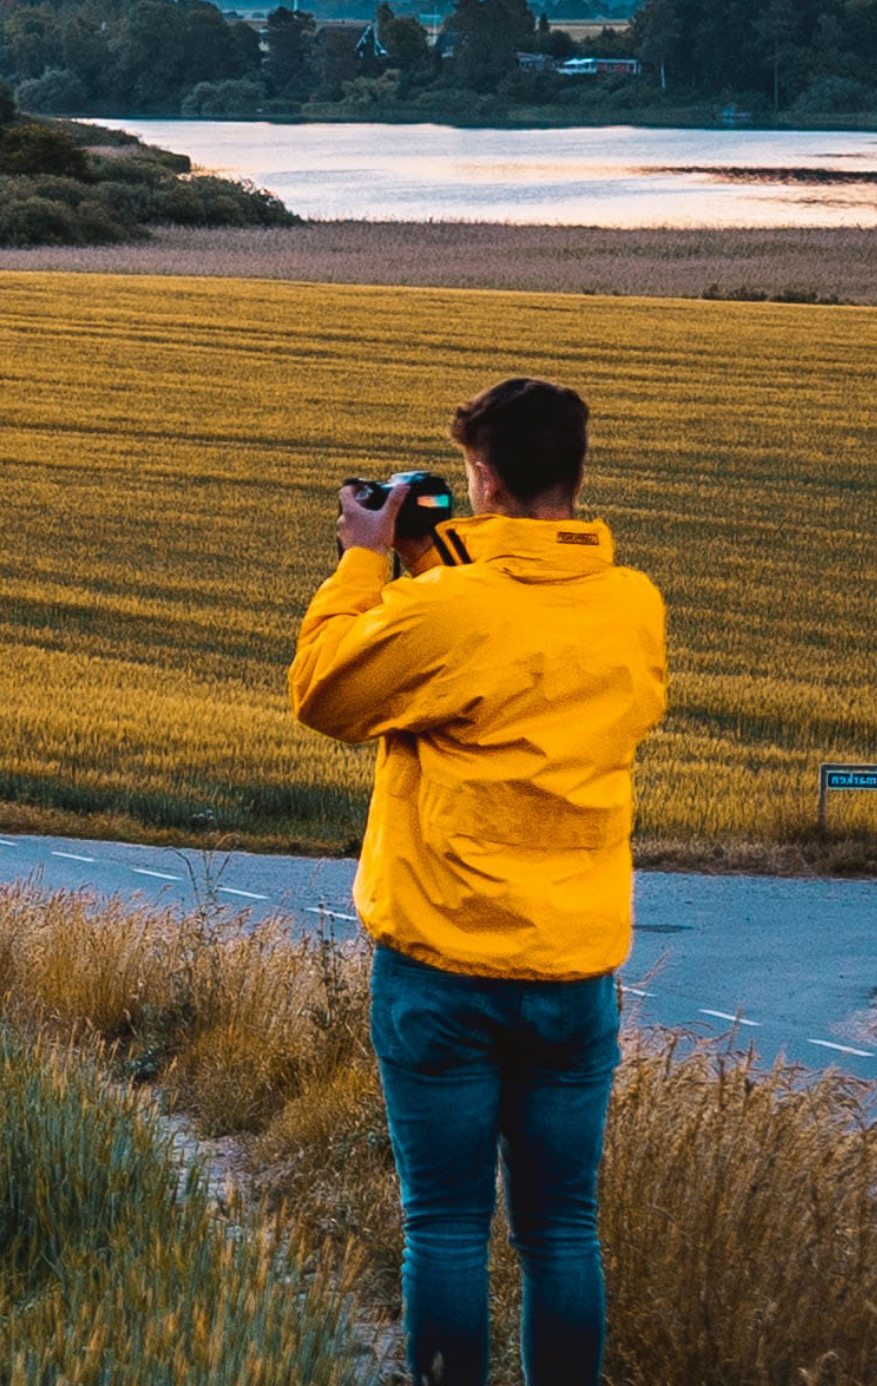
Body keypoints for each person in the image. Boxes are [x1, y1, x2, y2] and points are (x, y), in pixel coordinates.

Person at [290, 376, 667, 1386]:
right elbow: (517, 646)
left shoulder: (445, 611)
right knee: (560, 1229)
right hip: (570, 973)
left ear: (480, 478)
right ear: (574, 474)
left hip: (440, 968)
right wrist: (436, 563)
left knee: (447, 1223)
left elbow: (323, 689)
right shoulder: (631, 606)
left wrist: (368, 559)